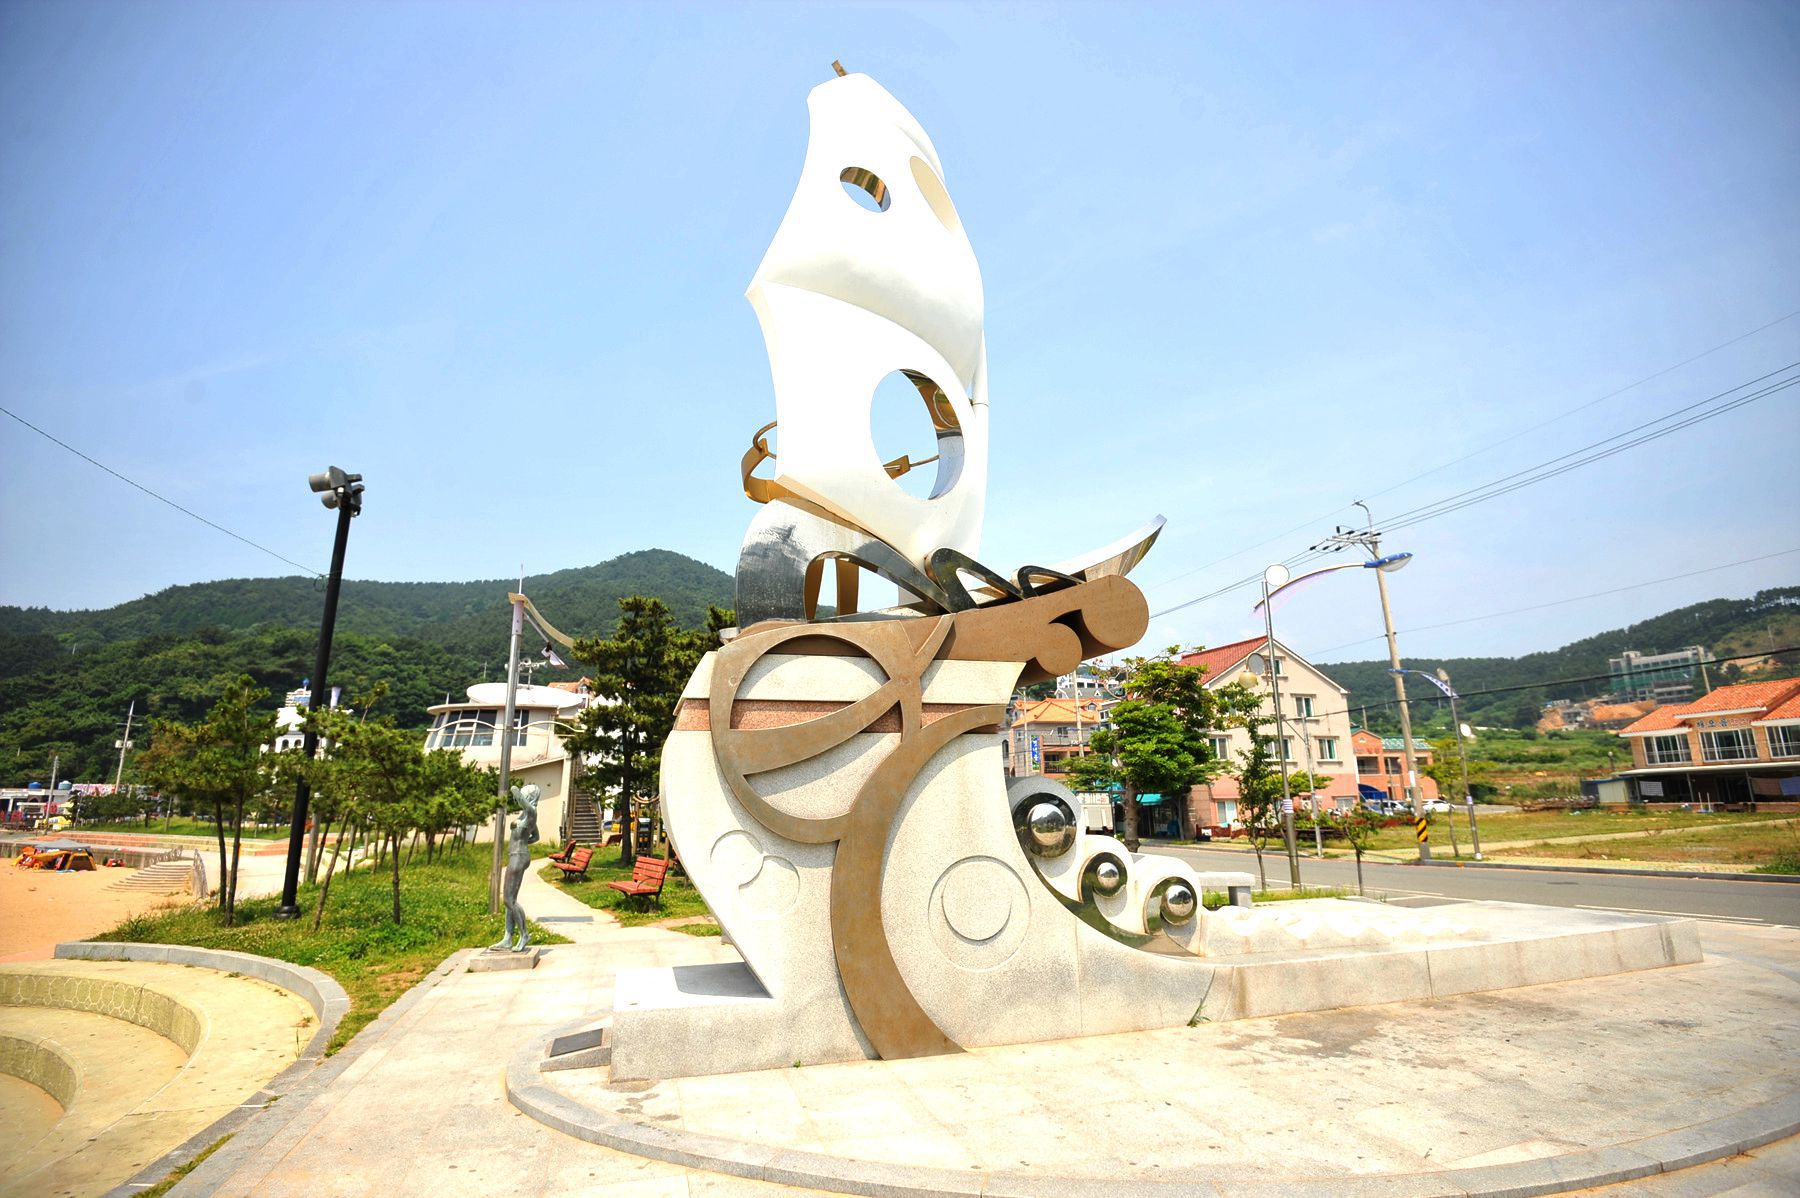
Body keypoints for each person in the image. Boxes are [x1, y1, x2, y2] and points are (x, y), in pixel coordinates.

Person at [490, 783, 539, 952]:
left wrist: (515, 790)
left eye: (525, 796)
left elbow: (520, 798)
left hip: (518, 857)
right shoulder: (526, 816)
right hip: (516, 855)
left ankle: (524, 934)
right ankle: (507, 937)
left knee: (508, 900)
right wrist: (523, 841)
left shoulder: (531, 812)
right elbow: (536, 837)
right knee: (510, 900)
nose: (520, 800)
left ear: (530, 797)